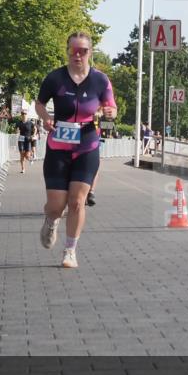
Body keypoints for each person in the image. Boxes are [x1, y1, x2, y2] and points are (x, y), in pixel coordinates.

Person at [35, 32, 116, 269]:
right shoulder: (55, 78)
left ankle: (70, 251)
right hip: (58, 146)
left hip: (87, 145)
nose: (77, 55)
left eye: (83, 51)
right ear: (68, 51)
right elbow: (39, 104)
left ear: (90, 53)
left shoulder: (100, 80)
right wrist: (45, 117)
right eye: (73, 50)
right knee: (56, 206)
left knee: (77, 202)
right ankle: (51, 220)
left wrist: (110, 112)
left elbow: (111, 107)